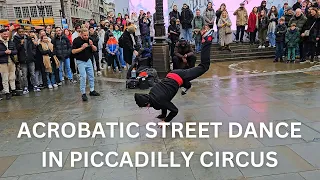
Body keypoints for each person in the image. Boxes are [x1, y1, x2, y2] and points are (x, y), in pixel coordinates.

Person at [134, 34, 213, 123]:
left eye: (145, 106)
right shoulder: (152, 94)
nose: (146, 108)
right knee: (185, 83)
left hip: (179, 76)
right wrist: (163, 115)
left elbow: (174, 110)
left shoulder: (158, 101)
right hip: (172, 75)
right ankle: (187, 86)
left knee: (204, 67)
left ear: (146, 104)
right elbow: (164, 102)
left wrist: (165, 121)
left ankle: (206, 41)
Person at [72, 28, 100, 101]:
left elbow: (95, 49)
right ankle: (83, 93)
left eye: (87, 35)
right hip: (80, 61)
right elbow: (73, 51)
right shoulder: (76, 40)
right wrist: (82, 48)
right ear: (81, 34)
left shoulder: (89, 39)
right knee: (83, 76)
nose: (86, 36)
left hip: (88, 60)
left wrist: (92, 45)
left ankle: (92, 90)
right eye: (84, 35)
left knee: (91, 75)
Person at [13, 28, 39, 94]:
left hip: (30, 58)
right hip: (22, 59)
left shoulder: (28, 38)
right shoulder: (15, 39)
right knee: (24, 75)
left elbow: (33, 47)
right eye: (20, 32)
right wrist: (20, 44)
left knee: (32, 73)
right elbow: (15, 49)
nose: (21, 33)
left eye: (22, 32)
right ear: (18, 32)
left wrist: (33, 54)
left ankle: (35, 86)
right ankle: (25, 87)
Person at [0, 29, 18, 100]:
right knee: (5, 78)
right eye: (4, 34)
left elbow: (15, 51)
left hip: (11, 61)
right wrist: (5, 52)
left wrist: (11, 52)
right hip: (3, 62)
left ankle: (13, 90)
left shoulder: (11, 42)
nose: (6, 35)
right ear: (1, 34)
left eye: (7, 34)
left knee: (12, 76)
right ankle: (7, 92)